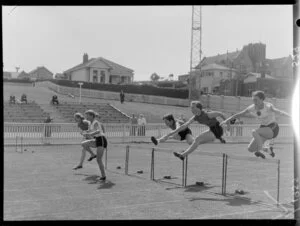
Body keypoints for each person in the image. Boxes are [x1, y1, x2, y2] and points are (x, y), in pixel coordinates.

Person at [221, 90, 291, 159]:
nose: (254, 102)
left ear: (262, 99)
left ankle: (260, 150)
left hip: (273, 128)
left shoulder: (268, 106)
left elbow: (279, 112)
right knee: (250, 149)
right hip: (263, 129)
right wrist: (227, 120)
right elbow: (239, 114)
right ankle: (268, 150)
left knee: (254, 131)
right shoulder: (252, 108)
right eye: (253, 100)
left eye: (256, 100)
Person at [163, 101, 228, 161]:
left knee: (197, 139)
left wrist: (228, 124)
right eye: (191, 108)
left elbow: (220, 114)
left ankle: (183, 154)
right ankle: (183, 154)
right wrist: (173, 132)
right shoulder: (196, 117)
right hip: (212, 130)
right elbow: (185, 125)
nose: (192, 110)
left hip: (217, 130)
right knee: (196, 141)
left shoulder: (207, 114)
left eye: (193, 108)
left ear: (198, 108)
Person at [81, 109, 108, 181]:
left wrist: (89, 134)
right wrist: (85, 133)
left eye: (87, 115)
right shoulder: (91, 123)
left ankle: (103, 176)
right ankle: (92, 154)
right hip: (97, 139)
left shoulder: (95, 122)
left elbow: (98, 131)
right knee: (83, 144)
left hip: (101, 140)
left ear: (91, 116)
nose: (86, 117)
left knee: (99, 159)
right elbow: (90, 131)